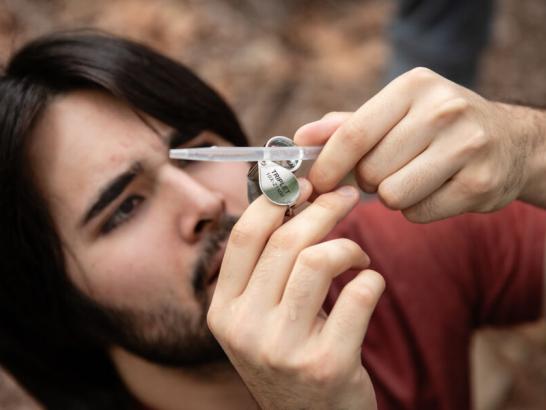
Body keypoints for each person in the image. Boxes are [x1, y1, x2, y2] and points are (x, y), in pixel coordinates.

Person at [0, 31, 544, 410]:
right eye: (124, 208)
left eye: (199, 151)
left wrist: (528, 150)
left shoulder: (378, 255)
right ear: (51, 297)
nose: (204, 204)